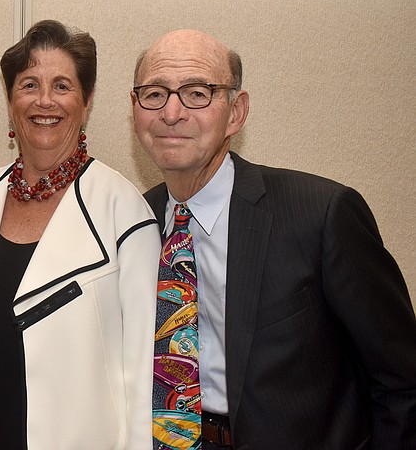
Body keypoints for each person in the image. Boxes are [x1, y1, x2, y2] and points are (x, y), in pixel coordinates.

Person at [131, 29, 416, 449]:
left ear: (236, 112)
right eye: (154, 93)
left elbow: (402, 381)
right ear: (134, 109)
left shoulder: (321, 214)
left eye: (197, 93)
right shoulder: (134, 223)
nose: (171, 112)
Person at [0, 19, 161, 450]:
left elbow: (145, 373)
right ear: (10, 101)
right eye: (29, 84)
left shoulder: (124, 213)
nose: (45, 100)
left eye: (62, 85)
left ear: (87, 102)